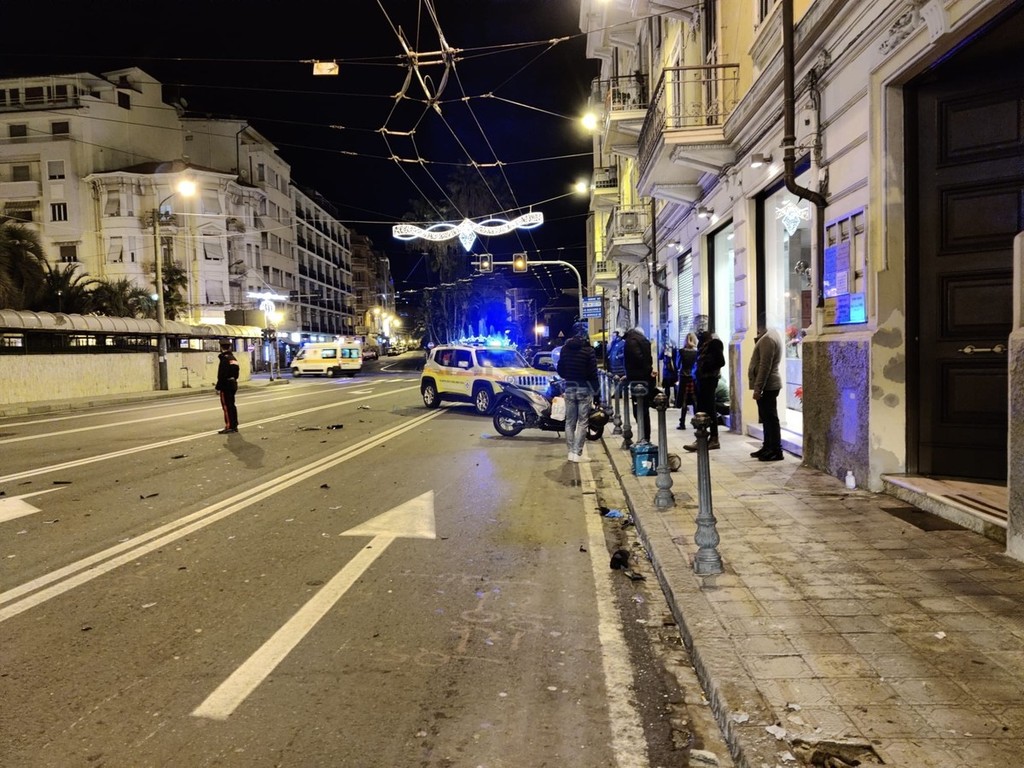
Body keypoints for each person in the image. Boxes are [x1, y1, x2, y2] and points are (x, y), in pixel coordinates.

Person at [556, 322, 600, 463]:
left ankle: (570, 452)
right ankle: (577, 453)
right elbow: (593, 374)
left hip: (569, 387)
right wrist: (597, 393)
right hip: (584, 389)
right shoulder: (589, 351)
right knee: (582, 422)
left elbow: (560, 369)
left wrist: (569, 376)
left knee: (569, 422)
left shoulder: (565, 349)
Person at [748, 323, 784, 461]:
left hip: (768, 386)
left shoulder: (768, 338)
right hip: (767, 385)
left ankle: (775, 450)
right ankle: (768, 446)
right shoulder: (769, 336)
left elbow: (765, 366)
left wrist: (758, 388)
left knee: (770, 418)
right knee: (766, 418)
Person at [684, 330, 725, 451]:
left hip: (709, 380)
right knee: (701, 409)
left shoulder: (714, 344)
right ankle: (701, 437)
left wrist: (706, 366)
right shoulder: (702, 345)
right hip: (701, 380)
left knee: (710, 408)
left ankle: (714, 438)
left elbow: (720, 361)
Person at [623, 326, 656, 442]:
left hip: (637, 379)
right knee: (644, 409)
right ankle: (645, 437)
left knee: (638, 409)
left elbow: (637, 359)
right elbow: (648, 359)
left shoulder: (631, 341)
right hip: (645, 378)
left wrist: (630, 374)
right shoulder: (644, 340)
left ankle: (643, 437)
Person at [215, 340, 239, 434]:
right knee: (232, 405)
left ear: (221, 347)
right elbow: (236, 372)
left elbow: (222, 375)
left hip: (226, 385)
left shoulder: (224, 359)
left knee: (227, 407)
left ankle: (229, 426)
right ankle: (234, 425)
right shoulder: (233, 358)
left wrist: (218, 387)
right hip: (233, 384)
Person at [675, 332, 699, 429]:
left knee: (684, 399)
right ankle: (697, 421)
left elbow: (677, 364)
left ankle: (682, 423)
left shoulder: (681, 351)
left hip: (684, 377)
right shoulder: (696, 352)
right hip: (693, 377)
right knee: (695, 399)